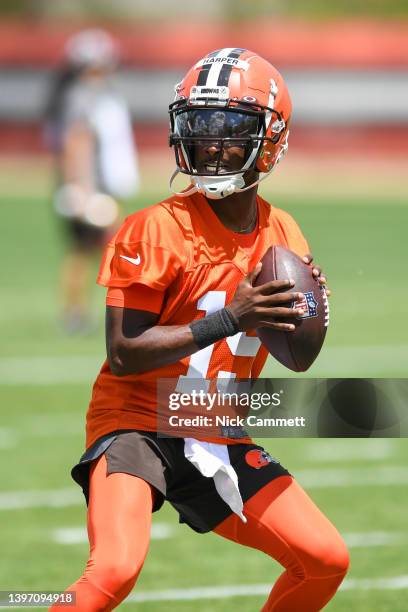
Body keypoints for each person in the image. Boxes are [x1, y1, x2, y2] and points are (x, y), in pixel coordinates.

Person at [51, 48, 349, 611]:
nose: (211, 143)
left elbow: (300, 357)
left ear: (272, 137)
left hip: (214, 424)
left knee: (325, 561)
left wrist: (306, 310)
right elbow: (124, 353)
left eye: (230, 129)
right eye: (200, 126)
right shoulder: (154, 228)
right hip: (136, 422)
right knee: (113, 569)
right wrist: (231, 318)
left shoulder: (283, 232)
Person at [44, 29, 139, 333]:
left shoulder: (102, 93)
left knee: (103, 248)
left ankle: (93, 312)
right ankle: (99, 313)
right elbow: (77, 141)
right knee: (102, 248)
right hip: (92, 188)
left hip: (103, 186)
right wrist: (82, 188)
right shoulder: (82, 96)